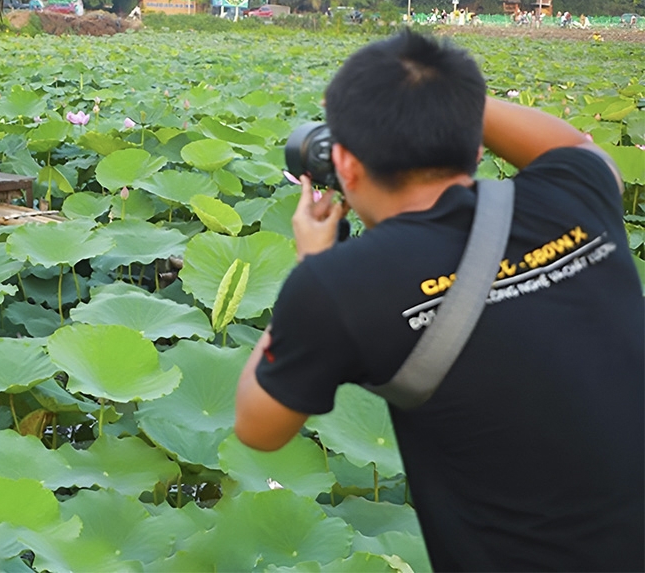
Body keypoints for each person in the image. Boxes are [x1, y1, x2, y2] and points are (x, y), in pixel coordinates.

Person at [234, 32, 643, 572]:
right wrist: (441, 96)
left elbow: (257, 427)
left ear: (347, 167)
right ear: (475, 146)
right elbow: (577, 145)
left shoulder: (336, 286)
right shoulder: (576, 194)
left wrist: (312, 264)